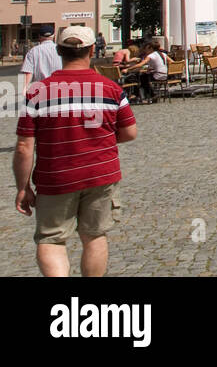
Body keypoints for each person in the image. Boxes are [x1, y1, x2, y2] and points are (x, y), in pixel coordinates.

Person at [13, 24, 138, 277]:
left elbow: (25, 145)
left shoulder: (38, 92)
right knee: (94, 236)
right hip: (101, 173)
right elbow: (129, 132)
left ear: (59, 50)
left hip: (55, 177)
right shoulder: (111, 89)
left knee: (51, 239)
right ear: (92, 50)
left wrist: (23, 187)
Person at [19, 25, 60, 92]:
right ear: (53, 36)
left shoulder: (33, 51)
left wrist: (25, 89)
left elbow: (28, 72)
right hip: (60, 88)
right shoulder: (61, 49)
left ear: (39, 37)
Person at [138, 38, 169, 104]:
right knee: (144, 77)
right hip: (165, 75)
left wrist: (128, 69)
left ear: (150, 48)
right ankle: (151, 95)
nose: (145, 50)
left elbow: (141, 64)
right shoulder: (163, 54)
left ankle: (152, 95)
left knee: (142, 78)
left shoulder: (151, 55)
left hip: (157, 76)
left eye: (146, 48)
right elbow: (172, 62)